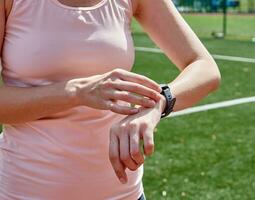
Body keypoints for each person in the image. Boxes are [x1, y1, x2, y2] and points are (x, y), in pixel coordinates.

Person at [0, 0, 221, 199]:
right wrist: (76, 92)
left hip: (124, 194)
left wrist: (158, 102)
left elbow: (204, 67)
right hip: (23, 192)